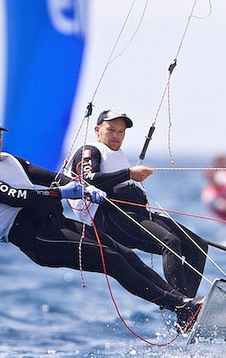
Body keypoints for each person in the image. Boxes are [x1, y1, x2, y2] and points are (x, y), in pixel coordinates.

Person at [0, 115, 201, 331]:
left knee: (124, 253)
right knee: (112, 260)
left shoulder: (10, 160)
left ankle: (183, 304)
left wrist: (84, 188)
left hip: (52, 223)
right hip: (34, 237)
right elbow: (19, 197)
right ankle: (180, 306)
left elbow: (52, 177)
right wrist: (63, 193)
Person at [67, 109, 207, 299]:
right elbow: (88, 180)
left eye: (121, 132)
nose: (116, 135)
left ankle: (187, 312)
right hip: (109, 218)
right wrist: (129, 174)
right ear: (97, 129)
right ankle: (184, 304)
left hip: (135, 214)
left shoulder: (116, 153)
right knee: (170, 242)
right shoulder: (89, 151)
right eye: (111, 130)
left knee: (198, 246)